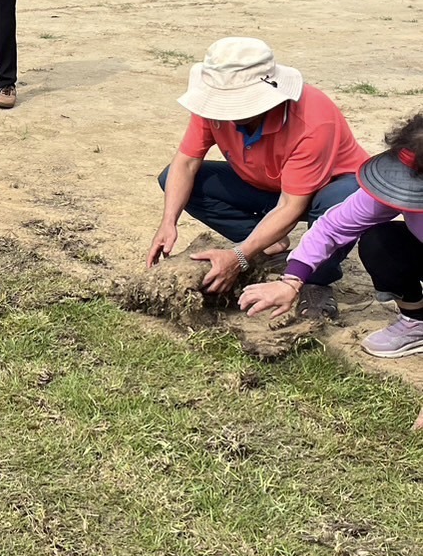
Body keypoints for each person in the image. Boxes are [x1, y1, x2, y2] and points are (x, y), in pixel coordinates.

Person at [148, 37, 370, 311]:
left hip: (324, 189)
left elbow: (291, 205)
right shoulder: (211, 107)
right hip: (267, 185)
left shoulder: (313, 119)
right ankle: (270, 247)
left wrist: (238, 257)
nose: (226, 111)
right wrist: (168, 222)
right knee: (173, 178)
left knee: (343, 199)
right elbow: (186, 164)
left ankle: (314, 279)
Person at [241, 114, 423, 364]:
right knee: (379, 241)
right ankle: (417, 320)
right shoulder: (403, 180)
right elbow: (332, 227)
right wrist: (291, 281)